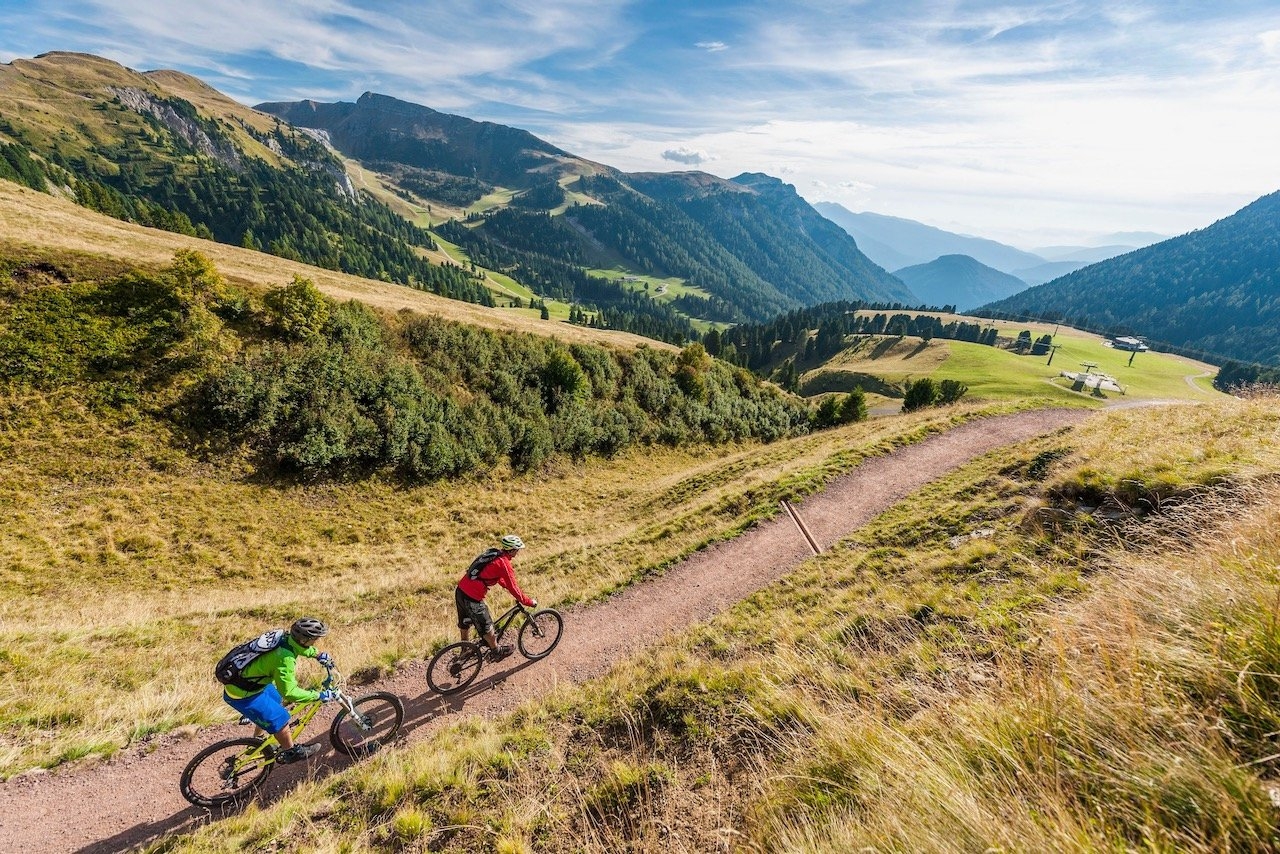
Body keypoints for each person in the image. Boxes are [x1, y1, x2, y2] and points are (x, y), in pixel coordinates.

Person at [221, 617, 336, 764]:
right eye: (314, 639)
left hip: (246, 682)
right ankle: (291, 751)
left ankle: (256, 740)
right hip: (243, 694)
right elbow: (290, 692)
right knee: (281, 720)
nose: (316, 642)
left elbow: (296, 647)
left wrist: (317, 654)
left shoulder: (284, 637)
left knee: (275, 700)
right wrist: (318, 695)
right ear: (305, 639)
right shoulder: (285, 659)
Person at [455, 534, 537, 661]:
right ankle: (496, 651)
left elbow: (491, 575)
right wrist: (527, 601)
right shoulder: (504, 564)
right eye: (517, 549)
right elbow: (514, 588)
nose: (518, 552)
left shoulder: (494, 554)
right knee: (488, 627)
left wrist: (504, 586)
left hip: (461, 591)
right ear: (512, 550)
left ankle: (465, 650)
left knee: (464, 622)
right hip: (472, 597)